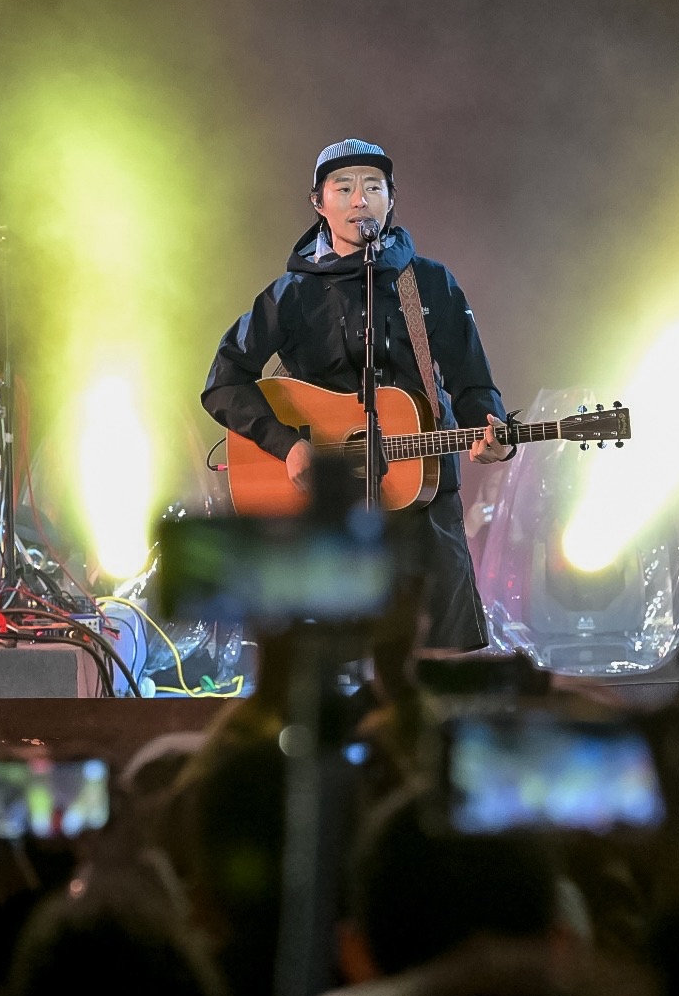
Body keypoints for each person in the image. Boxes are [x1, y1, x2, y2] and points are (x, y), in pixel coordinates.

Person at [202, 139, 517, 648]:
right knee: (325, 661)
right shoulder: (291, 294)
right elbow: (223, 382)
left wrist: (491, 428)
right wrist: (287, 445)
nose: (359, 199)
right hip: (324, 508)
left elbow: (473, 381)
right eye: (343, 187)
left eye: (373, 187)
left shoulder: (429, 283)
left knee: (438, 658)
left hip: (423, 495)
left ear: (391, 199)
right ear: (318, 202)